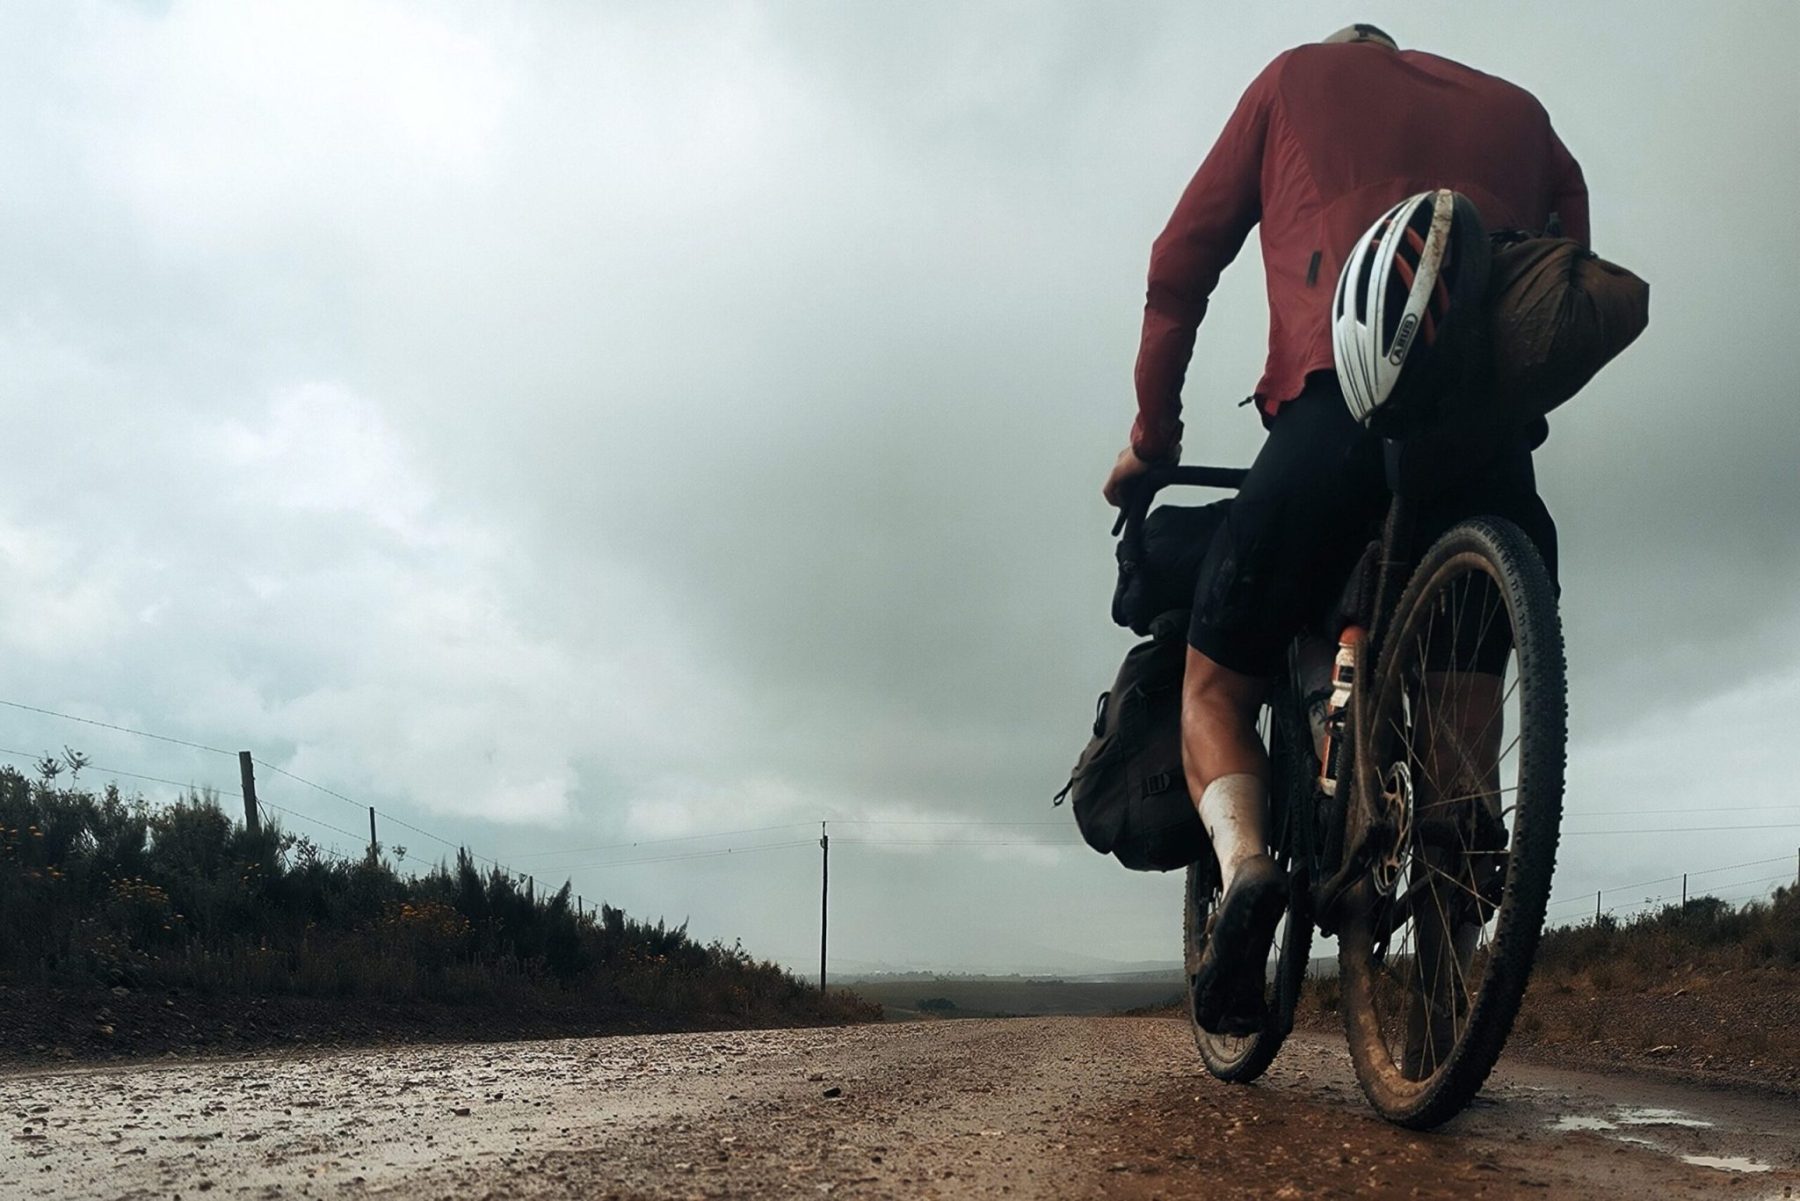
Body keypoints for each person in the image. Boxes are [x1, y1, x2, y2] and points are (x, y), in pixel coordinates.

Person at [1101, 24, 1587, 1034]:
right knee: (1464, 717)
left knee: (1213, 684)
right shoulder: (1524, 116)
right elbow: (1564, 286)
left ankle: (1244, 871)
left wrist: (1154, 436)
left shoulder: (1291, 79)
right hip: (1485, 449)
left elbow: (1176, 266)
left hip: (1331, 417)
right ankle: (1449, 983)